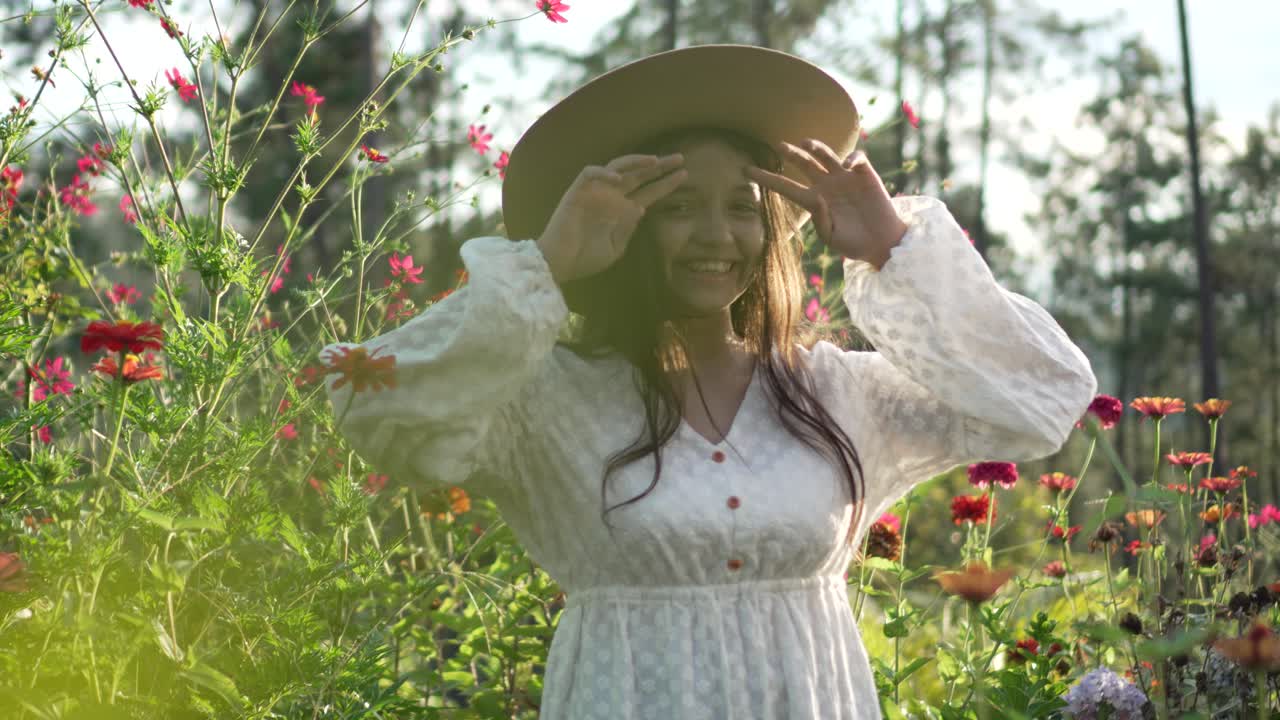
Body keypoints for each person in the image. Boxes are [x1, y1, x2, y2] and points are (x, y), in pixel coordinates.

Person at [322, 44, 1098, 720]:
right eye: (680, 206)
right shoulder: (544, 399)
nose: (716, 236)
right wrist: (547, 263)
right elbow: (375, 403)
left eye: (742, 208)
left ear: (772, 230)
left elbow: (1046, 396)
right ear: (628, 224)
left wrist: (893, 245)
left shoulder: (837, 394)